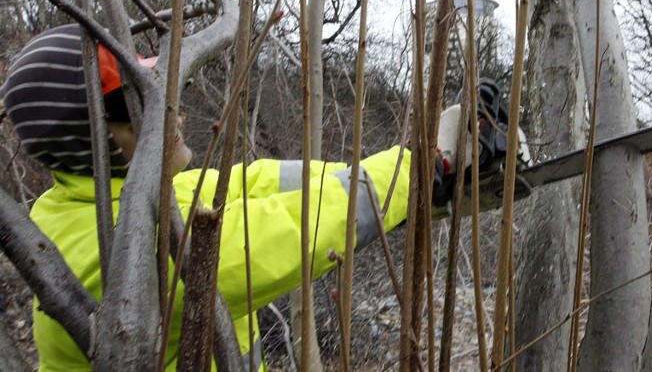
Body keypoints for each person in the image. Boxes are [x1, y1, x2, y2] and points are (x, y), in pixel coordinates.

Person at [1, 24, 465, 371]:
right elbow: (278, 233)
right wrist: (421, 170)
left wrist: (370, 172)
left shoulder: (113, 199)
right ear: (90, 142)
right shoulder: (112, 252)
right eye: (138, 105)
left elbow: (255, 183)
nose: (173, 112)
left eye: (160, 90)